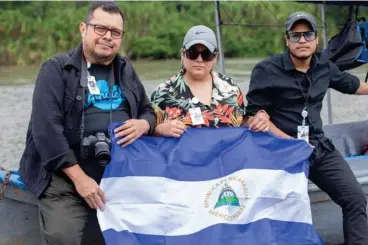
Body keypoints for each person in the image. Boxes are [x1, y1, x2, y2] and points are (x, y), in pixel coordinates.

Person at [245, 12, 368, 245]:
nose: (302, 40)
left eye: (308, 35)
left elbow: (349, 84)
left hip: (317, 147)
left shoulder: (324, 65)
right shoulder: (266, 70)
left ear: (316, 40)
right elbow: (251, 116)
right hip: (280, 152)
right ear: (287, 40)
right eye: (296, 35)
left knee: (355, 199)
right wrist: (288, 140)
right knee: (278, 212)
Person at [18, 2, 156, 245]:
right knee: (64, 237)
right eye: (100, 28)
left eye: (115, 32)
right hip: (64, 179)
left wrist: (144, 124)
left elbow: (148, 111)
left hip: (116, 175)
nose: (108, 37)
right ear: (83, 28)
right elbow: (46, 132)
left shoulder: (125, 69)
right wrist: (80, 179)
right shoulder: (56, 69)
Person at [150, 25, 269, 136]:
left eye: (206, 54)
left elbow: (242, 122)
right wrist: (159, 130)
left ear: (215, 58)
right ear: (182, 54)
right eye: (193, 53)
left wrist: (257, 121)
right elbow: (147, 129)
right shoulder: (163, 91)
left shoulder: (230, 87)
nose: (199, 59)